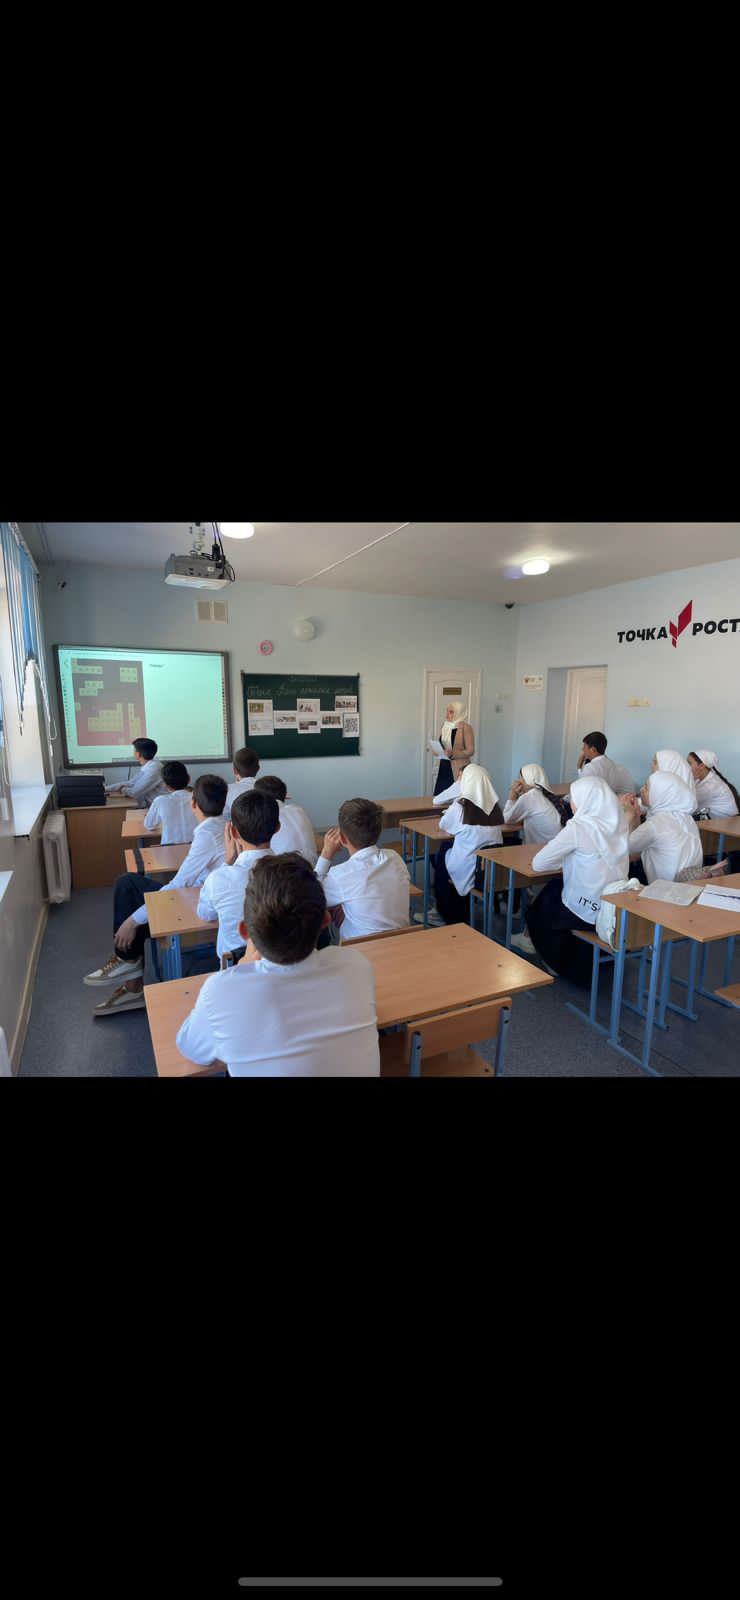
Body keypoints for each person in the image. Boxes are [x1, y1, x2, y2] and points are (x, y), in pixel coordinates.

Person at [176, 853, 380, 1076]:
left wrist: (239, 969)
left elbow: (190, 1048)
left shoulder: (221, 991)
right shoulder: (357, 965)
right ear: (326, 920)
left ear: (245, 932)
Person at [84, 774, 228, 1014]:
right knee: (131, 888)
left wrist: (132, 921)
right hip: (202, 892)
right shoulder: (222, 825)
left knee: (129, 889)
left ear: (193, 803)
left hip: (201, 900)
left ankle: (128, 966)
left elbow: (179, 884)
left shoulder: (206, 833)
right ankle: (130, 972)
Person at [524, 776, 629, 985]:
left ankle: (553, 960)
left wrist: (566, 859)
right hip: (614, 911)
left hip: (585, 913)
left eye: (574, 797)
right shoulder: (619, 823)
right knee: (557, 888)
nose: (570, 802)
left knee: (545, 901)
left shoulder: (578, 828)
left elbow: (539, 863)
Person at [197, 789, 279, 962]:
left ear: (233, 833)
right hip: (283, 964)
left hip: (234, 966)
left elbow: (205, 914)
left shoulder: (219, 878)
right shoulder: (292, 872)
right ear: (277, 827)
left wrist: (227, 862)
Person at [315, 798, 411, 941]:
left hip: (361, 948)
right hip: (402, 941)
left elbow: (311, 895)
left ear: (342, 838)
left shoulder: (339, 875)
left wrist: (326, 853)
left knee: (327, 907)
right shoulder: (395, 858)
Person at [434, 763, 503, 925]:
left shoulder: (460, 806)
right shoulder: (495, 807)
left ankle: (445, 912)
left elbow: (443, 825)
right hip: (490, 870)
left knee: (443, 853)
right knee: (449, 852)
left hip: (468, 867)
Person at [620, 771, 702, 884]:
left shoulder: (655, 824)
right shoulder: (686, 818)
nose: (641, 790)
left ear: (659, 794)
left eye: (646, 788)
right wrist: (636, 813)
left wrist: (629, 814)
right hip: (692, 884)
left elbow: (625, 848)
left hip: (667, 889)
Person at [253, 776, 317, 864]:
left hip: (287, 870)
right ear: (285, 795)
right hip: (313, 866)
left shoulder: (267, 817)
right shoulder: (298, 810)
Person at [503, 764, 566, 844]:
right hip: (553, 845)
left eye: (520, 778)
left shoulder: (530, 797)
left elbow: (506, 819)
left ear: (528, 780)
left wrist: (512, 794)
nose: (518, 781)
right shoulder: (544, 793)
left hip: (540, 848)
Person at [142, 761, 195, 845]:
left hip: (169, 849)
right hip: (195, 848)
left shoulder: (160, 801)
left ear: (165, 785)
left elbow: (149, 825)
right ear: (189, 779)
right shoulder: (198, 798)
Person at [105, 737, 167, 805]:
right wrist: (105, 789)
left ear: (138, 754)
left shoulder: (154, 769)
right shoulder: (150, 765)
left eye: (134, 750)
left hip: (160, 807)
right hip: (154, 805)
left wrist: (122, 789)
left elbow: (134, 793)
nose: (133, 752)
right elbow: (130, 783)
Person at [432, 700, 475, 797]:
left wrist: (453, 753)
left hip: (459, 768)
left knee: (456, 797)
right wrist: (437, 751)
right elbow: (442, 745)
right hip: (444, 766)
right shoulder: (444, 726)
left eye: (451, 712)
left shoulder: (466, 728)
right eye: (447, 711)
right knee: (441, 797)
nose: (447, 714)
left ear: (459, 712)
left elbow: (471, 750)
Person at [687, 750, 740, 818]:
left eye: (689, 763)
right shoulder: (699, 780)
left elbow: (688, 804)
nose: (686, 766)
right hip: (717, 821)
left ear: (701, 766)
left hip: (728, 822)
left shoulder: (711, 785)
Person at [224, 747, 260, 821]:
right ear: (258, 768)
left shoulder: (226, 790)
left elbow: (224, 818)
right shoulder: (266, 788)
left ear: (234, 770)